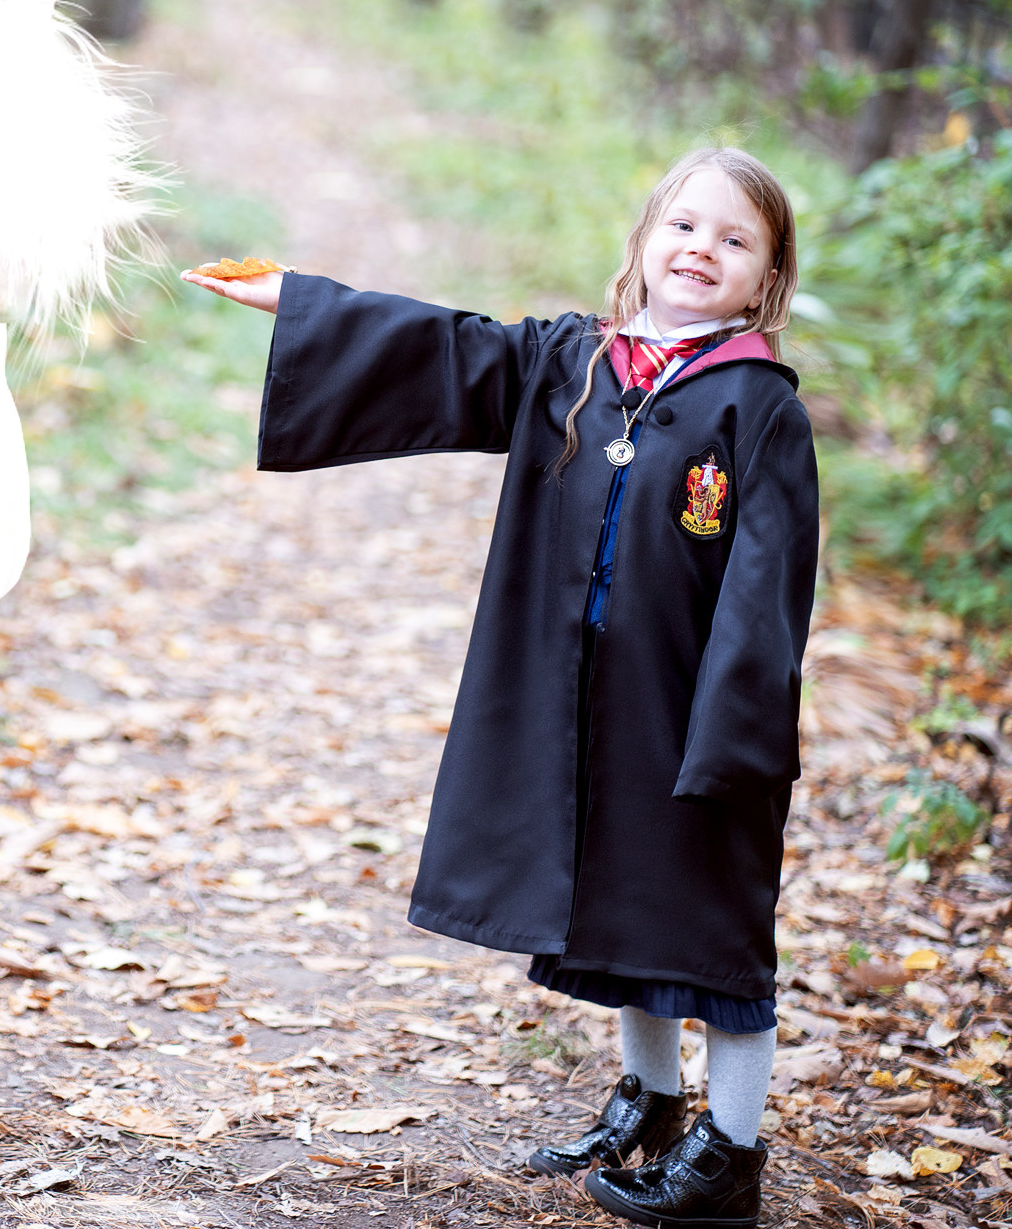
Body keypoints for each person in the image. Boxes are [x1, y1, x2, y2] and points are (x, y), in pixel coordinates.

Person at [184, 147, 816, 1229]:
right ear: (643, 242)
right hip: (587, 703)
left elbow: (766, 590)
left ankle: (730, 1151)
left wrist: (735, 734)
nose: (699, 250)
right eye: (682, 226)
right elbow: (445, 346)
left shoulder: (756, 409)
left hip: (696, 712)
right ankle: (651, 1103)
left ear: (764, 280)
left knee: (709, 920)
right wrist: (294, 299)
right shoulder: (575, 361)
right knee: (623, 905)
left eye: (731, 239)